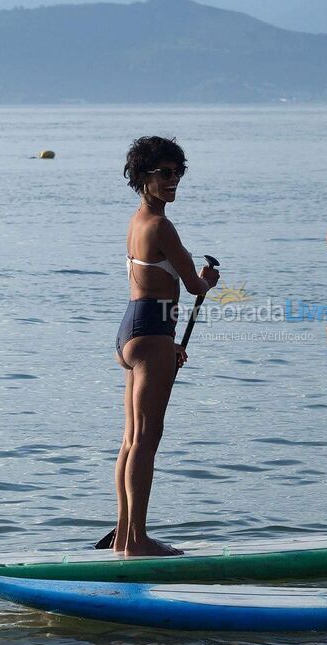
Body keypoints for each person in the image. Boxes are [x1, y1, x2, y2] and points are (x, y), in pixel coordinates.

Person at [112, 136, 219, 556]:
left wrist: (168, 344)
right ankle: (137, 540)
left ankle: (123, 536)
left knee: (131, 439)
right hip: (152, 332)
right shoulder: (160, 226)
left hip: (134, 330)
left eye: (178, 173)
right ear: (143, 176)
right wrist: (208, 280)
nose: (173, 180)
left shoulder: (137, 221)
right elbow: (193, 285)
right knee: (146, 439)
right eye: (165, 173)